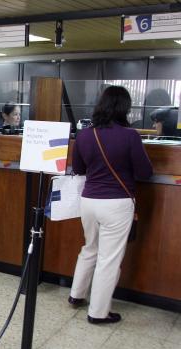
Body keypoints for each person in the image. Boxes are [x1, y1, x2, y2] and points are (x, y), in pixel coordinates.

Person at [69, 86, 153, 324]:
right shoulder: (130, 136)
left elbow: (79, 169)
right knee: (109, 259)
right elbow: (145, 172)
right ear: (124, 108)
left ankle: (76, 295)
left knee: (90, 248)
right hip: (116, 204)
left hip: (88, 202)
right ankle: (97, 313)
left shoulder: (85, 135)